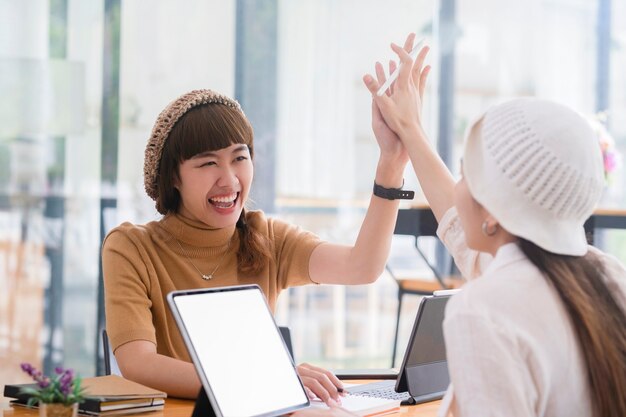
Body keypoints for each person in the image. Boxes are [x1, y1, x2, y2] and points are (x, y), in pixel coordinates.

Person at [101, 74, 425, 402]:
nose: (229, 180)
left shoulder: (265, 237)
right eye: (208, 163)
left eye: (239, 158)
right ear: (173, 176)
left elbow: (363, 266)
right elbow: (139, 364)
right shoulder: (131, 248)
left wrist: (392, 161)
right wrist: (272, 379)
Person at [360, 33, 626, 417]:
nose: (459, 188)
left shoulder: (484, 310)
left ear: (494, 212)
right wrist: (410, 130)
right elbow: (464, 229)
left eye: (467, 176)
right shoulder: (606, 276)